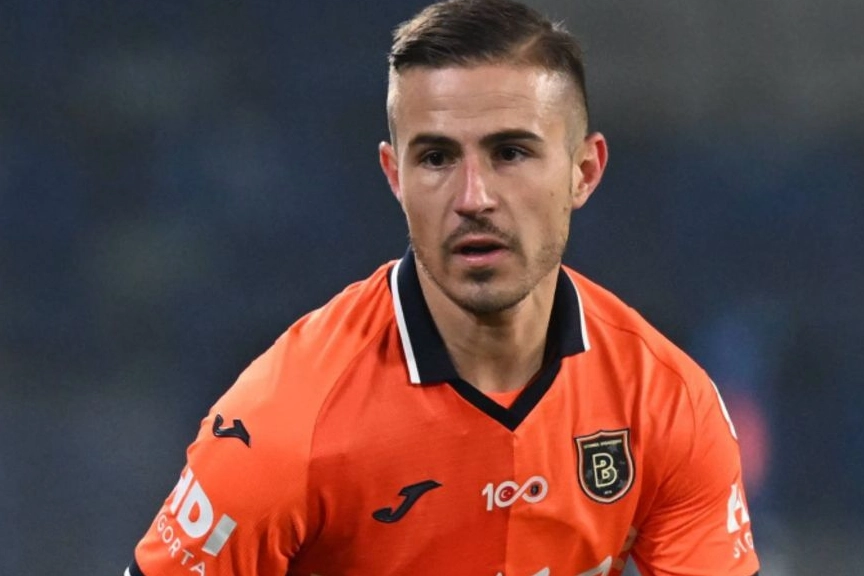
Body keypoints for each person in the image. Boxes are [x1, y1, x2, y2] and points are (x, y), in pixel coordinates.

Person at [125, 0, 759, 574]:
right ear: (394, 176)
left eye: (510, 153)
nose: (473, 198)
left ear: (584, 171)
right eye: (436, 158)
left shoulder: (668, 403)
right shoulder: (284, 424)